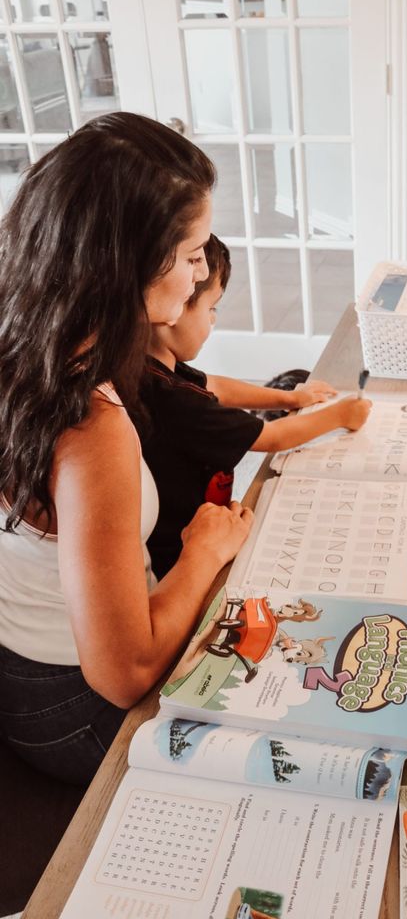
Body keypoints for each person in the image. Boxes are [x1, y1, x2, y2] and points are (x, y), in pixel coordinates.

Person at [0, 112, 253, 786]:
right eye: (195, 251)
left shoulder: (39, 340)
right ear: (135, 261)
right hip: (72, 708)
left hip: (26, 673)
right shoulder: (90, 426)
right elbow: (124, 674)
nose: (202, 275)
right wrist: (204, 549)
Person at [140, 234, 371, 577]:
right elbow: (273, 437)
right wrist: (340, 414)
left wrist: (289, 397)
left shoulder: (154, 368)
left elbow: (215, 384)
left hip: (199, 527)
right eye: (211, 308)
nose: (214, 320)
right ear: (175, 308)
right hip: (181, 554)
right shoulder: (176, 401)